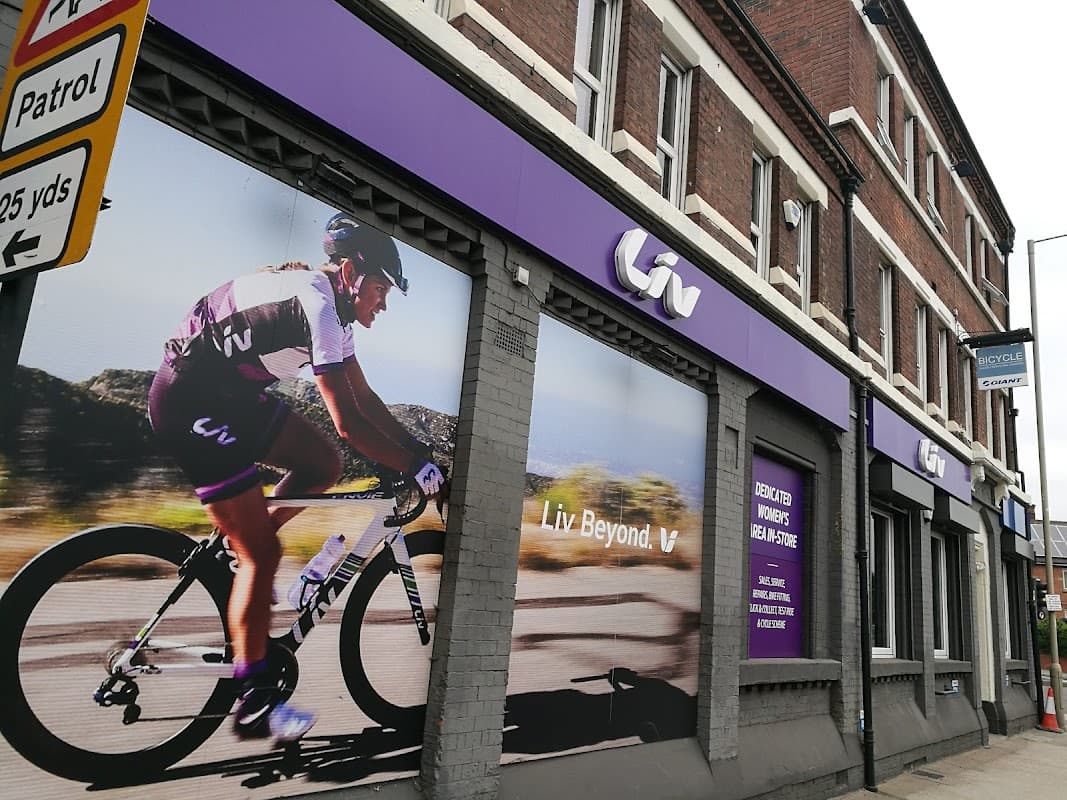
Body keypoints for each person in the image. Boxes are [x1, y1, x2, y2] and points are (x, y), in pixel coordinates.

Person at [147, 213, 446, 741]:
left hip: (228, 396)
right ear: (352, 273)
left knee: (322, 465)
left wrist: (419, 452)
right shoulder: (320, 305)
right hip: (188, 400)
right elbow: (349, 420)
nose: (383, 302)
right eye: (380, 289)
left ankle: (245, 545)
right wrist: (412, 469)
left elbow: (368, 400)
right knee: (264, 554)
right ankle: (252, 700)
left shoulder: (331, 306)